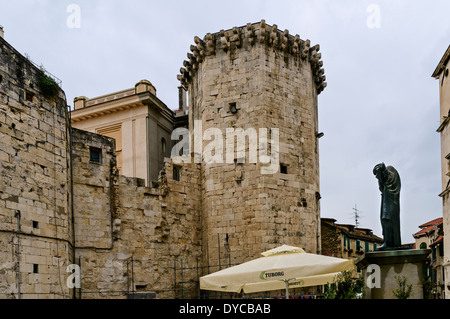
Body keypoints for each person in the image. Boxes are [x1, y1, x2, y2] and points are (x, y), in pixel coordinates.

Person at [373, 163, 401, 250]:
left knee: (387, 219)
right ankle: (388, 241)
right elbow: (381, 188)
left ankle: (389, 242)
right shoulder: (385, 180)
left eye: (377, 175)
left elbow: (388, 182)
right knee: (384, 219)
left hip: (391, 203)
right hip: (386, 201)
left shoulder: (391, 174)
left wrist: (381, 177)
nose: (377, 178)